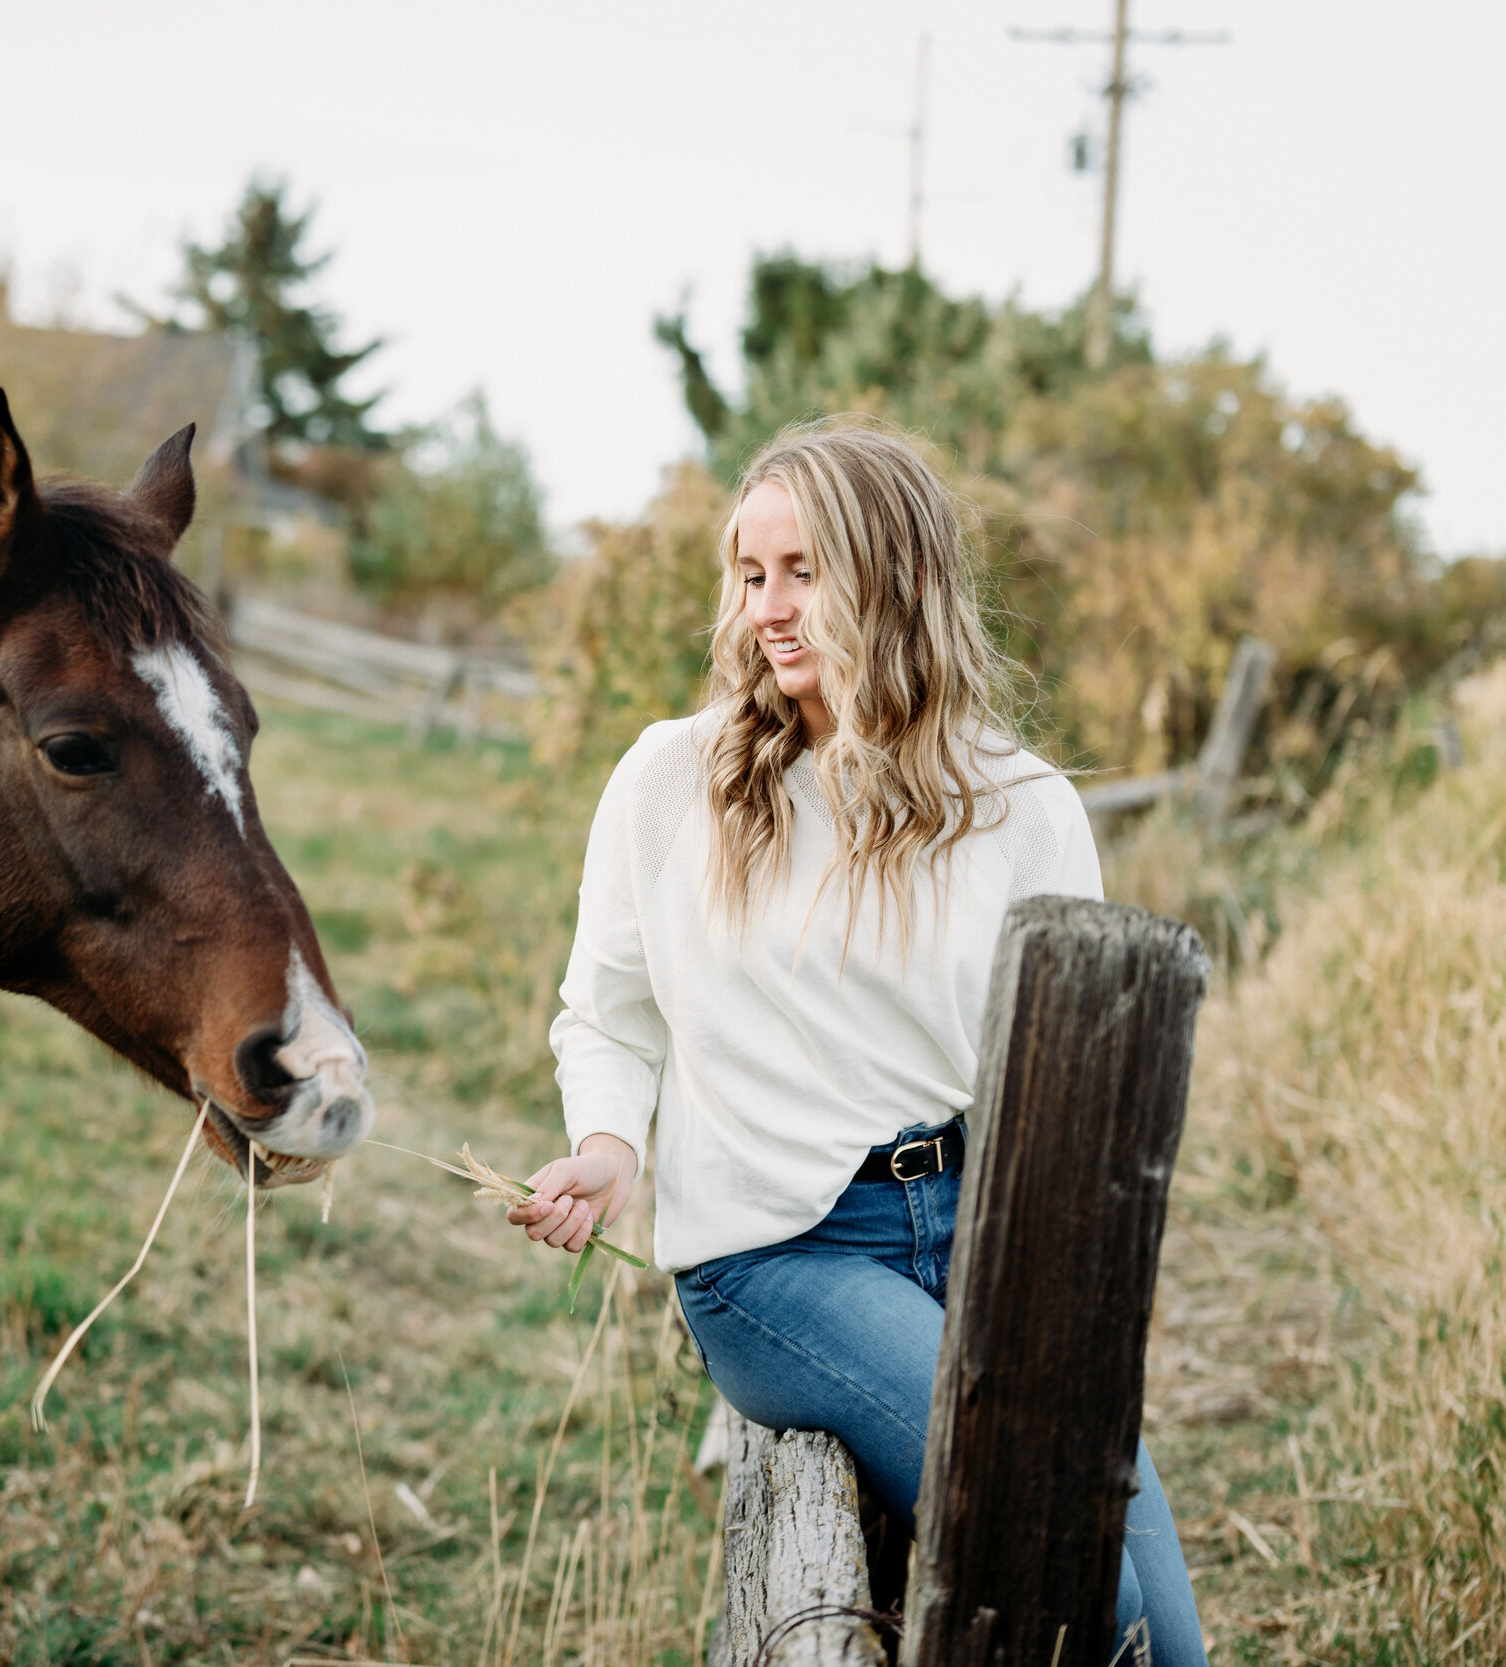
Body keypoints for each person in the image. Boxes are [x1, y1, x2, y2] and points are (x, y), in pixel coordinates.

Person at [507, 420, 1206, 1665]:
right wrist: (609, 1146)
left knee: (1163, 1636)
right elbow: (605, 1009)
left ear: (898, 577)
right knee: (1058, 1560)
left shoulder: (1020, 806)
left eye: (804, 570)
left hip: (982, 1237)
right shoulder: (676, 779)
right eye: (749, 571)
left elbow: (1069, 1088)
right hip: (775, 1253)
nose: (769, 608)